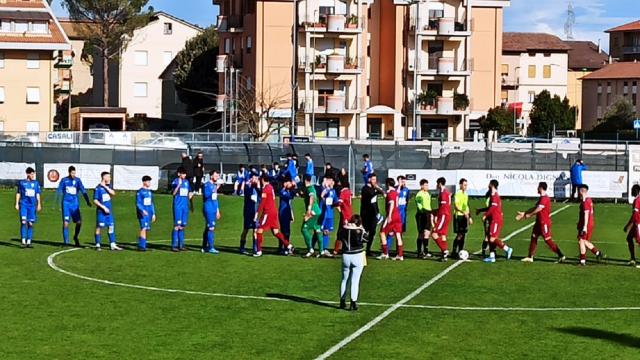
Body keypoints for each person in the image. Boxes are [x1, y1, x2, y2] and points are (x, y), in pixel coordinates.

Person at [516, 182, 565, 263]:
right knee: (533, 237)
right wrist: (524, 213)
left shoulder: (544, 198)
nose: (537, 189)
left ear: (541, 188)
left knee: (547, 240)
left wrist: (529, 215)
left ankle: (561, 255)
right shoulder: (541, 198)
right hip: (538, 223)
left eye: (538, 187)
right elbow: (535, 207)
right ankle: (530, 257)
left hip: (544, 223)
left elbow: (539, 209)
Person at [254, 174, 294, 257]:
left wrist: (257, 213)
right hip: (274, 212)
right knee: (276, 232)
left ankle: (258, 251)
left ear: (262, 180)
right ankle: (289, 245)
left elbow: (262, 203)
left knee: (259, 230)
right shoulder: (271, 187)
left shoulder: (266, 189)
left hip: (267, 213)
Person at [477, 180, 513, 263]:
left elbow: (492, 208)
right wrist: (481, 210)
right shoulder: (493, 195)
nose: (488, 185)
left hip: (496, 220)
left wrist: (485, 215)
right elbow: (491, 207)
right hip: (494, 219)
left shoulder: (494, 196)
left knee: (492, 239)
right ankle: (492, 256)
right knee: (490, 238)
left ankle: (507, 249)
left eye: (489, 183)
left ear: (492, 185)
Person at [56, 166, 91, 247]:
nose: (73, 175)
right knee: (65, 223)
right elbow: (59, 191)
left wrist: (87, 201)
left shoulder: (77, 180)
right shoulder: (64, 180)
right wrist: (59, 204)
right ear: (69, 172)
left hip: (75, 204)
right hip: (66, 204)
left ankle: (75, 237)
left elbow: (83, 190)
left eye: (74, 173)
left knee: (79, 222)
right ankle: (66, 242)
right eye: (72, 173)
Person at [339, 215, 367, 311]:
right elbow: (366, 239)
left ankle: (342, 301)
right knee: (355, 280)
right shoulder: (360, 230)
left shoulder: (344, 229)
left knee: (344, 279)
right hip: (357, 255)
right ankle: (353, 302)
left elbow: (339, 237)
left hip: (346, 255)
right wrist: (362, 228)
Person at [93, 171, 122, 251]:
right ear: (104, 177)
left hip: (109, 212)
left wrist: (105, 187)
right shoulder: (98, 188)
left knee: (111, 226)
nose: (110, 178)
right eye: (108, 177)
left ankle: (112, 244)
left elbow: (113, 193)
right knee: (99, 227)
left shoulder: (108, 187)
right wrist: (103, 207)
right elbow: (95, 200)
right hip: (101, 212)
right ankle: (97, 244)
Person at [377, 178, 404, 261]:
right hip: (397, 215)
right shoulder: (395, 192)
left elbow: (392, 203)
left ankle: (385, 253)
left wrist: (389, 216)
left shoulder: (391, 193)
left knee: (382, 232)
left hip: (392, 215)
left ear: (387, 184)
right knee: (398, 235)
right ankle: (400, 255)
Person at [576, 184, 603, 265]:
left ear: (581, 191)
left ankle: (582, 261)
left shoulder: (585, 202)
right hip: (589, 223)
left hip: (586, 224)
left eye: (578, 191)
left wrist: (584, 227)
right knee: (584, 241)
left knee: (581, 240)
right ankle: (598, 253)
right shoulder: (589, 200)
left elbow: (586, 214)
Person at [16, 167, 41, 248]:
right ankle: (23, 241)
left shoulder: (36, 183)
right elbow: (18, 193)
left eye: (34, 174)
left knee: (30, 224)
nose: (33, 175)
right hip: (24, 205)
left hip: (32, 206)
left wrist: (39, 204)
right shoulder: (22, 183)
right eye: (32, 174)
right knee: (23, 222)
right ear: (28, 174)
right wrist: (17, 203)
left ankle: (29, 241)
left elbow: (37, 194)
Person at [360, 173, 384, 256]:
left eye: (375, 179)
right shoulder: (365, 189)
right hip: (366, 214)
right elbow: (370, 195)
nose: (375, 181)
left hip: (374, 214)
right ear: (369, 179)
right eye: (373, 179)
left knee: (372, 232)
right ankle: (359, 248)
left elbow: (379, 196)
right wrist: (377, 190)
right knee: (364, 232)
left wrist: (378, 190)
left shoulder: (374, 189)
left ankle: (368, 250)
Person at [171, 167, 193, 251]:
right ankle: (174, 245)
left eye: (185, 174)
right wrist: (178, 186)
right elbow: (173, 193)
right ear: (178, 174)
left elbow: (189, 192)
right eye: (183, 173)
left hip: (185, 206)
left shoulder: (186, 182)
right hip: (178, 206)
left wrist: (190, 195)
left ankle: (181, 245)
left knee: (183, 225)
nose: (184, 175)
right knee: (177, 225)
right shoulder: (175, 181)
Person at [301, 174, 322, 257]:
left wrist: (309, 210)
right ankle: (321, 251)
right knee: (317, 230)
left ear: (305, 179)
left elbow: (312, 197)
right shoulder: (311, 187)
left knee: (304, 229)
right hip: (317, 211)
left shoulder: (310, 188)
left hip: (313, 212)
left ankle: (310, 249)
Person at [240, 172, 260, 254]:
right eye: (254, 178)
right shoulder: (248, 187)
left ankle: (255, 248)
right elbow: (249, 193)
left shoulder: (257, 188)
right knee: (246, 230)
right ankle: (242, 247)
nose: (256, 180)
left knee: (255, 230)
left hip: (255, 212)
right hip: (248, 212)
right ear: (251, 179)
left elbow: (261, 194)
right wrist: (252, 184)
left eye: (257, 178)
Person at [431, 177, 451, 261]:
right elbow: (448, 204)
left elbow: (443, 207)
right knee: (443, 234)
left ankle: (444, 250)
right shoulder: (446, 193)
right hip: (446, 215)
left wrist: (435, 213)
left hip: (443, 215)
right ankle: (444, 256)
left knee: (434, 233)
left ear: (439, 183)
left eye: (437, 183)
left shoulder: (443, 193)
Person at [202, 170, 221, 254]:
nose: (217, 177)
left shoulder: (213, 185)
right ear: (211, 176)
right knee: (211, 228)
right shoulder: (207, 185)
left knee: (208, 227)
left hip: (213, 208)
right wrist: (214, 190)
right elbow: (206, 196)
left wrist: (217, 210)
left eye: (218, 176)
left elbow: (215, 199)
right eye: (216, 176)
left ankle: (204, 246)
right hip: (208, 208)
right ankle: (211, 247)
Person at [452, 178, 473, 257]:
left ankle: (460, 251)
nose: (465, 186)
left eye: (466, 185)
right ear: (460, 185)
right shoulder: (458, 194)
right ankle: (454, 251)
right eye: (464, 185)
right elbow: (456, 206)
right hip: (458, 216)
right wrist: (463, 212)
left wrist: (469, 216)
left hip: (464, 216)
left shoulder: (466, 194)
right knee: (459, 234)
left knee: (463, 234)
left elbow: (466, 206)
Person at [319, 176, 339, 257]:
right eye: (329, 180)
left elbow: (335, 201)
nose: (330, 181)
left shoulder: (333, 191)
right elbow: (322, 195)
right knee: (320, 231)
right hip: (324, 213)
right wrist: (326, 187)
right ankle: (318, 249)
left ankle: (324, 249)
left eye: (331, 180)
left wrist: (339, 208)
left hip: (330, 214)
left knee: (327, 232)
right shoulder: (324, 189)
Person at [135, 175, 156, 251]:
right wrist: (142, 210)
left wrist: (153, 213)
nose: (149, 183)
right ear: (144, 182)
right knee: (143, 228)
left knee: (146, 228)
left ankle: (143, 244)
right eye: (148, 181)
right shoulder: (140, 192)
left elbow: (151, 203)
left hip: (149, 213)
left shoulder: (149, 192)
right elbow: (138, 203)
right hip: (142, 213)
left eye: (150, 181)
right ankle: (141, 246)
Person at [333, 178, 353, 255]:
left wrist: (333, 204)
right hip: (348, 213)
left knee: (342, 232)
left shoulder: (343, 192)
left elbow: (340, 203)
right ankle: (342, 249)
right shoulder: (348, 191)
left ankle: (338, 250)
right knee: (343, 232)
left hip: (345, 215)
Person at [415, 179, 433, 259]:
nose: (427, 187)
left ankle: (426, 251)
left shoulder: (427, 194)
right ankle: (419, 252)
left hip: (428, 214)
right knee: (421, 233)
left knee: (427, 233)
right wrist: (426, 211)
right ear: (421, 186)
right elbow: (420, 207)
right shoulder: (419, 195)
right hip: (421, 215)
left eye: (427, 185)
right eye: (425, 185)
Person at [623, 184, 640, 268]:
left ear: (636, 191)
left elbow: (635, 215)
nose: (631, 192)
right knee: (629, 238)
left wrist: (627, 226)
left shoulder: (637, 200)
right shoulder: (637, 200)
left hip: (638, 224)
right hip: (635, 224)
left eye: (632, 190)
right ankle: (633, 258)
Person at [278, 177, 297, 252]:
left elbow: (290, 203)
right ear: (285, 183)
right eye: (289, 183)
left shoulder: (287, 191)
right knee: (284, 231)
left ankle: (285, 247)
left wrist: (291, 213)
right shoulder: (282, 191)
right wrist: (294, 187)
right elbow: (290, 197)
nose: (290, 184)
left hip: (287, 213)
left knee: (287, 231)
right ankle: (282, 247)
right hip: (283, 213)